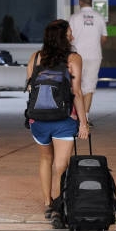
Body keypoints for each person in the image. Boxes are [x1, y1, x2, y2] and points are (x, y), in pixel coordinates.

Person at [26, 19, 90, 217]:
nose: (72, 35)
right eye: (69, 32)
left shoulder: (35, 57)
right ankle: (60, 203)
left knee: (45, 159)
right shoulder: (74, 58)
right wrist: (83, 123)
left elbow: (30, 87)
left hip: (38, 119)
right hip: (63, 119)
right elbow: (77, 92)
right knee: (61, 165)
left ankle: (48, 201)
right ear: (63, 36)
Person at [69, 0, 108, 126]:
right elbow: (104, 38)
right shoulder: (99, 17)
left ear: (80, 2)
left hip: (76, 56)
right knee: (89, 87)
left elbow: (69, 37)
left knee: (75, 85)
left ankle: (74, 116)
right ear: (91, 2)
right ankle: (85, 118)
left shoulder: (74, 18)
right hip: (94, 56)